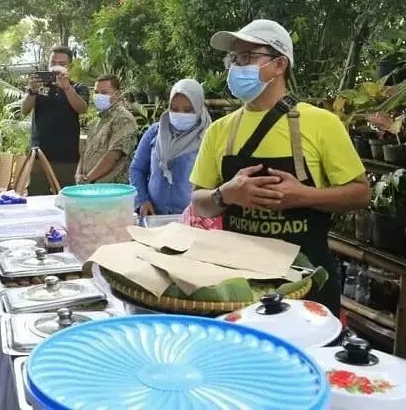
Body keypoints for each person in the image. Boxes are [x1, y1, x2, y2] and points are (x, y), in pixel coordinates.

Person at [190, 19, 369, 316]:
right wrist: (227, 194)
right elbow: (199, 204)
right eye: (234, 58)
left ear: (279, 64)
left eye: (248, 57)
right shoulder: (219, 131)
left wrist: (303, 196)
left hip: (307, 280)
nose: (237, 66)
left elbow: (360, 194)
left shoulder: (321, 123)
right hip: (241, 283)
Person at [130, 79, 212, 215]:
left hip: (194, 220)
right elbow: (137, 169)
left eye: (188, 110)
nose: (180, 114)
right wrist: (142, 200)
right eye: (174, 109)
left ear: (199, 108)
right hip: (154, 215)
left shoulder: (209, 136)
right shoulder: (155, 132)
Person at [22, 46, 90, 194]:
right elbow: (24, 110)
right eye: (53, 62)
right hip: (39, 156)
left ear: (69, 66)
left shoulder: (78, 87)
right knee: (36, 198)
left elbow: (82, 108)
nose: (56, 66)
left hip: (66, 157)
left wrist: (67, 88)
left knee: (67, 199)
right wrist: (32, 91)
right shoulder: (39, 86)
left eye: (62, 63)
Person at [75, 75, 136, 184]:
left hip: (111, 190)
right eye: (96, 92)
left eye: (104, 92)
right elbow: (85, 153)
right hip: (91, 187)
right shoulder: (96, 122)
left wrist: (88, 179)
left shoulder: (123, 119)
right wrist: (78, 174)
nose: (98, 96)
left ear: (116, 94)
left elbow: (113, 157)